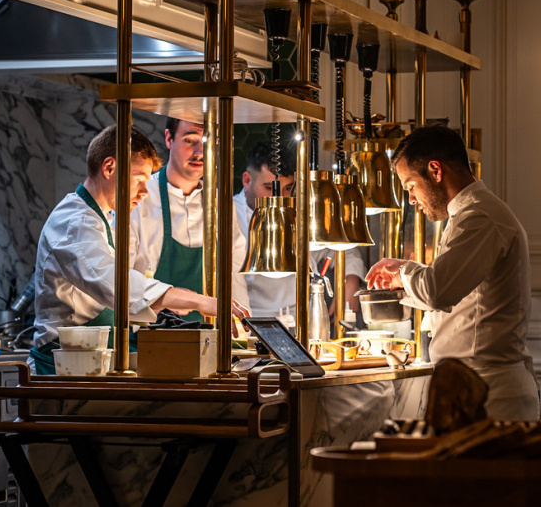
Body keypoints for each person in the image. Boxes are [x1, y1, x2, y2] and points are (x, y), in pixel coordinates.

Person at [31, 125, 249, 375]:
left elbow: (114, 299)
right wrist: (202, 302)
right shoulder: (75, 223)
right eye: (139, 180)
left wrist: (164, 305)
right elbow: (120, 287)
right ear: (109, 168)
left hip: (86, 364)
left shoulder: (100, 218)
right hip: (61, 370)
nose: (145, 192)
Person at [365, 126, 539, 421]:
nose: (411, 199)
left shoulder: (480, 217)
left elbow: (438, 290)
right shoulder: (468, 216)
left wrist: (404, 272)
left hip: (490, 393)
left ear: (435, 170)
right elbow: (459, 295)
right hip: (476, 388)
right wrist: (401, 278)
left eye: (410, 186)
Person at [131, 118, 250, 327]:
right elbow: (122, 281)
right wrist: (172, 297)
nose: (200, 152)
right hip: (145, 340)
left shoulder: (220, 203)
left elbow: (233, 276)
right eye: (189, 140)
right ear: (169, 138)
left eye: (208, 142)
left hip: (206, 339)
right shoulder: (140, 196)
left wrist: (246, 329)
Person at [233, 141, 365, 318]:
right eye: (269, 188)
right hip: (247, 319)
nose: (279, 198)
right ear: (247, 181)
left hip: (298, 319)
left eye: (288, 188)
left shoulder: (302, 214)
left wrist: (350, 287)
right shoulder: (228, 213)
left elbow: (345, 251)